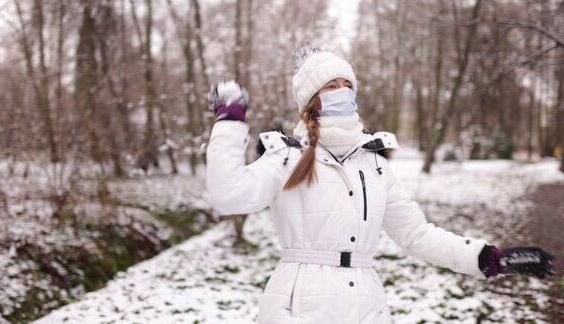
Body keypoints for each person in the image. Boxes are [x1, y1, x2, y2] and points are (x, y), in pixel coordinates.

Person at [204, 46, 556, 323]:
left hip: (366, 306)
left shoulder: (374, 165)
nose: (342, 92)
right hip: (297, 307)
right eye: (331, 86)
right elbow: (229, 196)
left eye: (347, 85)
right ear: (312, 100)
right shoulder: (287, 157)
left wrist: (486, 258)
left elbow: (417, 235)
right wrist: (229, 125)